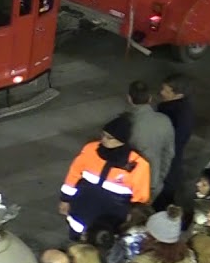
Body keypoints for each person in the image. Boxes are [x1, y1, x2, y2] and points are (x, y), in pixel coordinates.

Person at [59, 114, 152, 239]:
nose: (103, 140)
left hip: (111, 218)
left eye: (109, 138)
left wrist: (132, 218)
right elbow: (73, 176)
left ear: (121, 140)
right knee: (76, 234)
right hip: (82, 208)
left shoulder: (137, 164)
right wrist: (65, 199)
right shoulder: (90, 149)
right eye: (103, 135)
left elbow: (140, 198)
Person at [126, 80, 176, 202]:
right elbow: (169, 153)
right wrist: (159, 178)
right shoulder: (164, 121)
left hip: (131, 184)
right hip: (153, 181)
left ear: (129, 98)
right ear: (150, 98)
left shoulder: (126, 124)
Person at [156, 73, 196, 210]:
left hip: (168, 162)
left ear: (179, 94)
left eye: (166, 91)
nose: (161, 93)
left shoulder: (175, 114)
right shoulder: (180, 108)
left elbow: (171, 143)